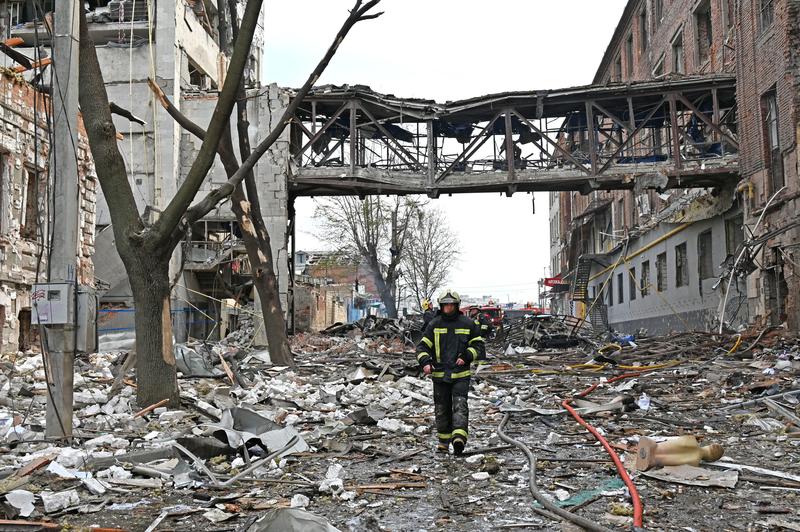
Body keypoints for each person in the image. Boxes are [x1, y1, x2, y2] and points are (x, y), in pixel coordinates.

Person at [416, 288, 485, 455]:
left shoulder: (468, 324)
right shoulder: (434, 324)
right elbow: (422, 347)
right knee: (441, 408)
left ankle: (459, 439)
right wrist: (425, 362)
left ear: (457, 305)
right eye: (445, 306)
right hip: (439, 375)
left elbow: (478, 346)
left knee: (460, 405)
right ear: (441, 306)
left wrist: (468, 355)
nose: (448, 308)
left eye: (451, 305)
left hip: (460, 374)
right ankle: (443, 442)